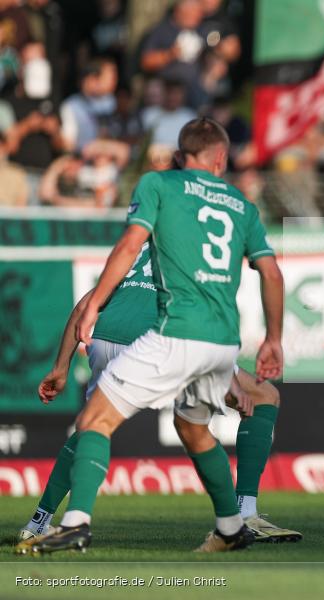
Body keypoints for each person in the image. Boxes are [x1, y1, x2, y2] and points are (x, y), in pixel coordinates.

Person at [20, 117, 284, 554]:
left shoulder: (160, 189)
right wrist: (274, 339)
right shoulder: (242, 205)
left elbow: (127, 246)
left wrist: (90, 312)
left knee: (92, 422)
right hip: (218, 343)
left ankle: (71, 521)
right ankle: (233, 524)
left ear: (181, 157)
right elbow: (270, 272)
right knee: (196, 430)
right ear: (222, 159)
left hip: (168, 334)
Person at [15, 245, 300, 551]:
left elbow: (86, 305)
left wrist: (60, 367)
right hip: (161, 340)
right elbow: (210, 311)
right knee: (263, 396)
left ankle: (38, 523)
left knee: (92, 426)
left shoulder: (139, 250)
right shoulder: (200, 248)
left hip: (105, 336)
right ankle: (243, 515)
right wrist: (228, 375)